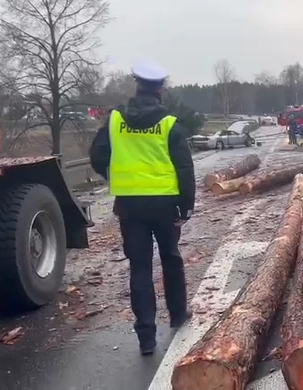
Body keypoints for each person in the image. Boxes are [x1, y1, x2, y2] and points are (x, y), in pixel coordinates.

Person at [88, 60, 195, 356]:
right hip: (164, 204)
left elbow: (97, 156)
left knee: (140, 268)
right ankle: (177, 315)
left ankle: (146, 336)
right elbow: (184, 168)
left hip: (130, 207)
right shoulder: (169, 123)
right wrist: (185, 207)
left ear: (137, 84)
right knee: (171, 258)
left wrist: (116, 177)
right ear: (160, 87)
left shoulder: (114, 120)